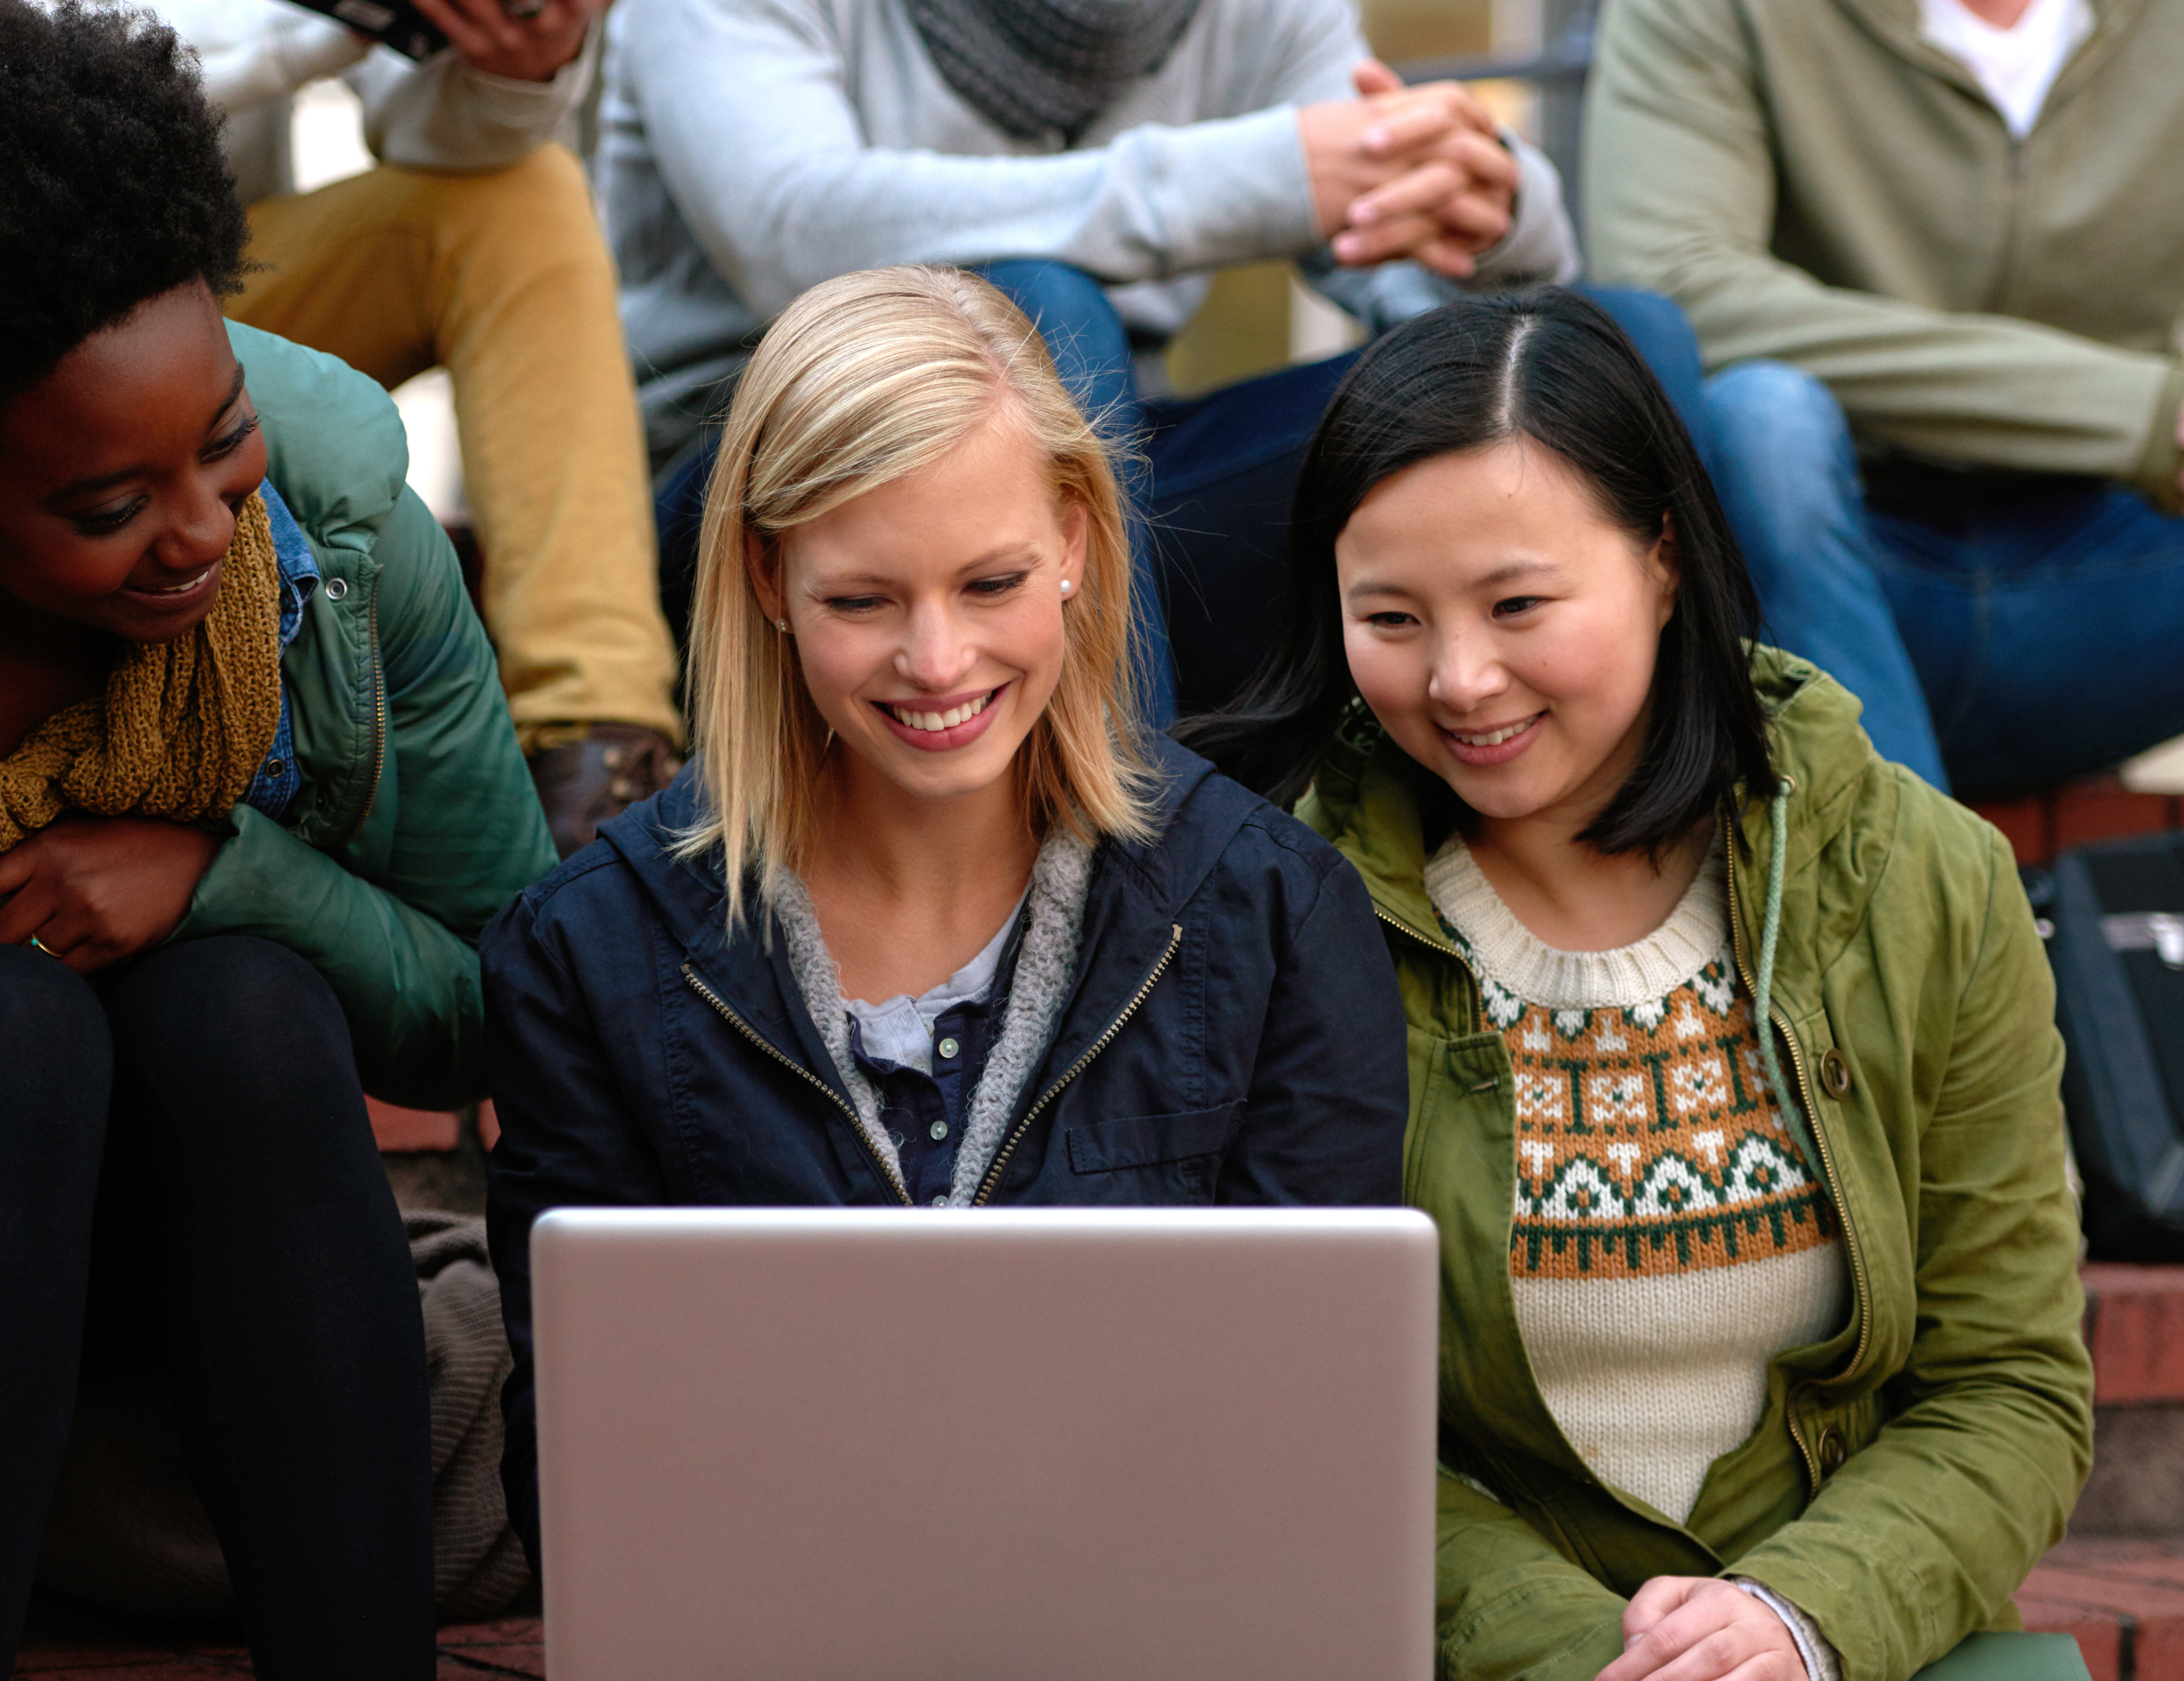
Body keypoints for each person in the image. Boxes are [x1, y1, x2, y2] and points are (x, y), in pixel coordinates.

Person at [0, 1, 557, 1673]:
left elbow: (497, 1000)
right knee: (2, 1024)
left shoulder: (341, 528)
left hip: (178, 1258)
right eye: (107, 507)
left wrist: (235, 876)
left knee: (246, 998)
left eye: (221, 436)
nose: (206, 530)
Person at [1183, 290, 2090, 1680]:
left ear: (1661, 558)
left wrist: (1798, 1621)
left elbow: (2007, 1385)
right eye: (1391, 617)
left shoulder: (1922, 881)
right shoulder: (1272, 912)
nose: (1460, 678)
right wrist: (1588, 1659)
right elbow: (1271, 1422)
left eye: (1518, 604)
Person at [481, 265, 1410, 1568]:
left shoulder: (1269, 915)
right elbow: (575, 1482)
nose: (936, 664)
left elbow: (1322, 1447)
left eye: (989, 584)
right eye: (863, 600)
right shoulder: (589, 952)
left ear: (1079, 540)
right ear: (763, 575)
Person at [0, 0, 682, 853]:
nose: (209, 533)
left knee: (528, 196)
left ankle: (599, 747)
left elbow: (442, 143)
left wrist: (504, 56)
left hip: (195, 302)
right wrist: (320, 22)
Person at [604, 0, 1643, 723]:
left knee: (1619, 345)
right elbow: (794, 230)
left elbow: (1416, 286)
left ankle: (1652, 856)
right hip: (768, 489)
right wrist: (1259, 175)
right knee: (1031, 310)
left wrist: (1496, 206)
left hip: (1088, 508)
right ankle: (1133, 869)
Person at [1584, 0, 2184, 797]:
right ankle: (1908, 899)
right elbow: (1676, 291)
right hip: (1823, 563)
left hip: (2124, 560)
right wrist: (2142, 412)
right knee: (1764, 419)